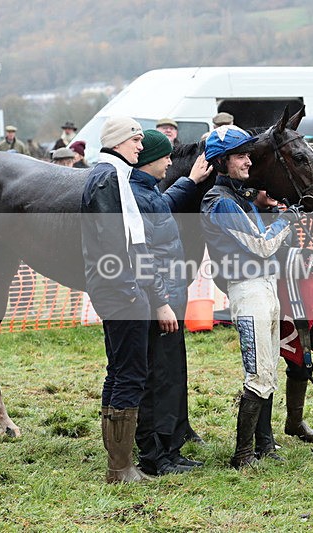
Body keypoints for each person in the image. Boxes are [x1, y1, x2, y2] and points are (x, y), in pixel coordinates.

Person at [200, 125, 302, 468]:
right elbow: (260, 245)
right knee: (258, 374)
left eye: (247, 154)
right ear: (222, 161)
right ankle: (242, 455)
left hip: (265, 287)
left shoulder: (239, 198)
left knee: (269, 371)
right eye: (241, 155)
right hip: (248, 291)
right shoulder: (219, 202)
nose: (248, 161)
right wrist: (286, 220)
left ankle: (265, 445)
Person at [81, 116, 175, 483]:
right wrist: (135, 289)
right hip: (121, 290)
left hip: (120, 288)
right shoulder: (108, 177)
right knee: (130, 374)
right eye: (136, 140)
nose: (141, 146)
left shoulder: (112, 174)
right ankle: (119, 468)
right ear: (119, 142)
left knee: (119, 371)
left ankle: (120, 464)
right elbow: (114, 242)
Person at [129, 129, 211, 476]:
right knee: (153, 376)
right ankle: (153, 456)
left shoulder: (149, 192)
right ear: (150, 161)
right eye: (165, 157)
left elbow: (164, 205)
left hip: (170, 299)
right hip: (156, 303)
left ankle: (170, 448)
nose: (169, 162)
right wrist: (161, 302)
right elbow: (141, 256)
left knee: (168, 373)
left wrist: (190, 182)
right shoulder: (137, 196)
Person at [251, 189, 313, 446]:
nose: (271, 193)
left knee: (302, 358)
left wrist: (310, 261)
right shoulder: (249, 214)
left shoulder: (283, 215)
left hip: (291, 296)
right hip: (263, 295)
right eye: (264, 188)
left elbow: (290, 255)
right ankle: (263, 434)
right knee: (265, 367)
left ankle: (295, 421)